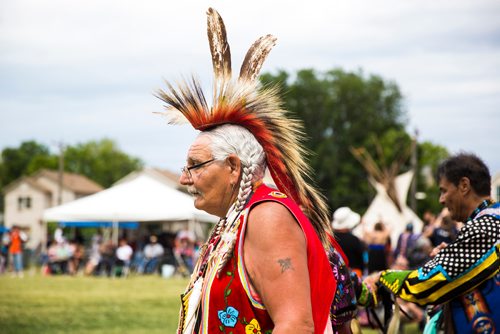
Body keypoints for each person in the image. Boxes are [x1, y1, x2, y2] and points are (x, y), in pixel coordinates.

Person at [157, 8, 336, 333]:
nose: (184, 179)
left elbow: (295, 325)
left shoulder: (269, 217)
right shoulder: (239, 220)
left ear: (233, 168)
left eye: (195, 166)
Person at [367, 153, 500, 333]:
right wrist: (452, 253)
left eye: (444, 190)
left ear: (464, 185)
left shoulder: (486, 225)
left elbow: (429, 281)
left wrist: (383, 279)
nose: (441, 199)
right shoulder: (492, 218)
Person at [331, 207, 366, 278]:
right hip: (354, 276)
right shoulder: (353, 240)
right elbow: (361, 261)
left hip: (336, 276)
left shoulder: (330, 239)